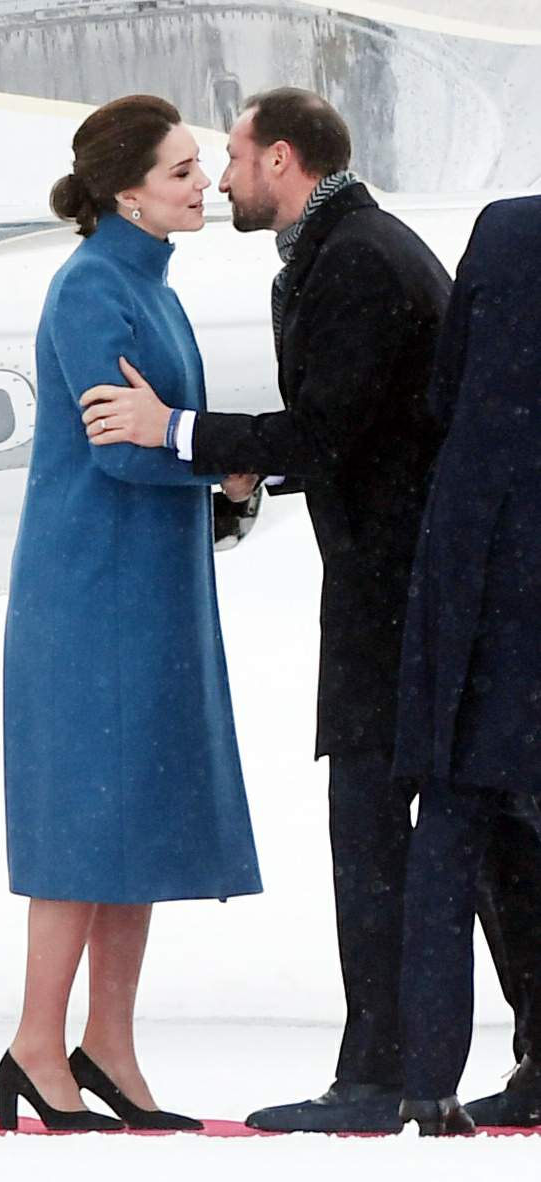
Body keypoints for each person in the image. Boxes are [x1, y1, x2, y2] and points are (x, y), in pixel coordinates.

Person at [80, 88, 541, 1133]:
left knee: (374, 828)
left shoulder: (356, 261)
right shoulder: (350, 250)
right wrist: (255, 466)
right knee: (493, 827)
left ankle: (375, 1079)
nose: (223, 178)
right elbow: (367, 423)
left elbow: (331, 429)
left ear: (282, 159)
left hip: (401, 594)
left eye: (234, 158)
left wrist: (176, 430)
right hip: (415, 584)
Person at [0, 94, 262, 1134]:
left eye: (200, 166)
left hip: (147, 587)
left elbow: (165, 432)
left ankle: (107, 1044)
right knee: (82, 821)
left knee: (135, 819)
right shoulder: (91, 289)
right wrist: (217, 460)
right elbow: (120, 446)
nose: (204, 186)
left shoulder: (151, 284)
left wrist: (210, 458)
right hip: (91, 593)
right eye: (181, 172)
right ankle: (35, 1043)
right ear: (125, 193)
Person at [393, 195, 541, 1135]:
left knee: (450, 819)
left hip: (478, 557)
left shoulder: (504, 228)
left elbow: (444, 394)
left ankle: (429, 1078)